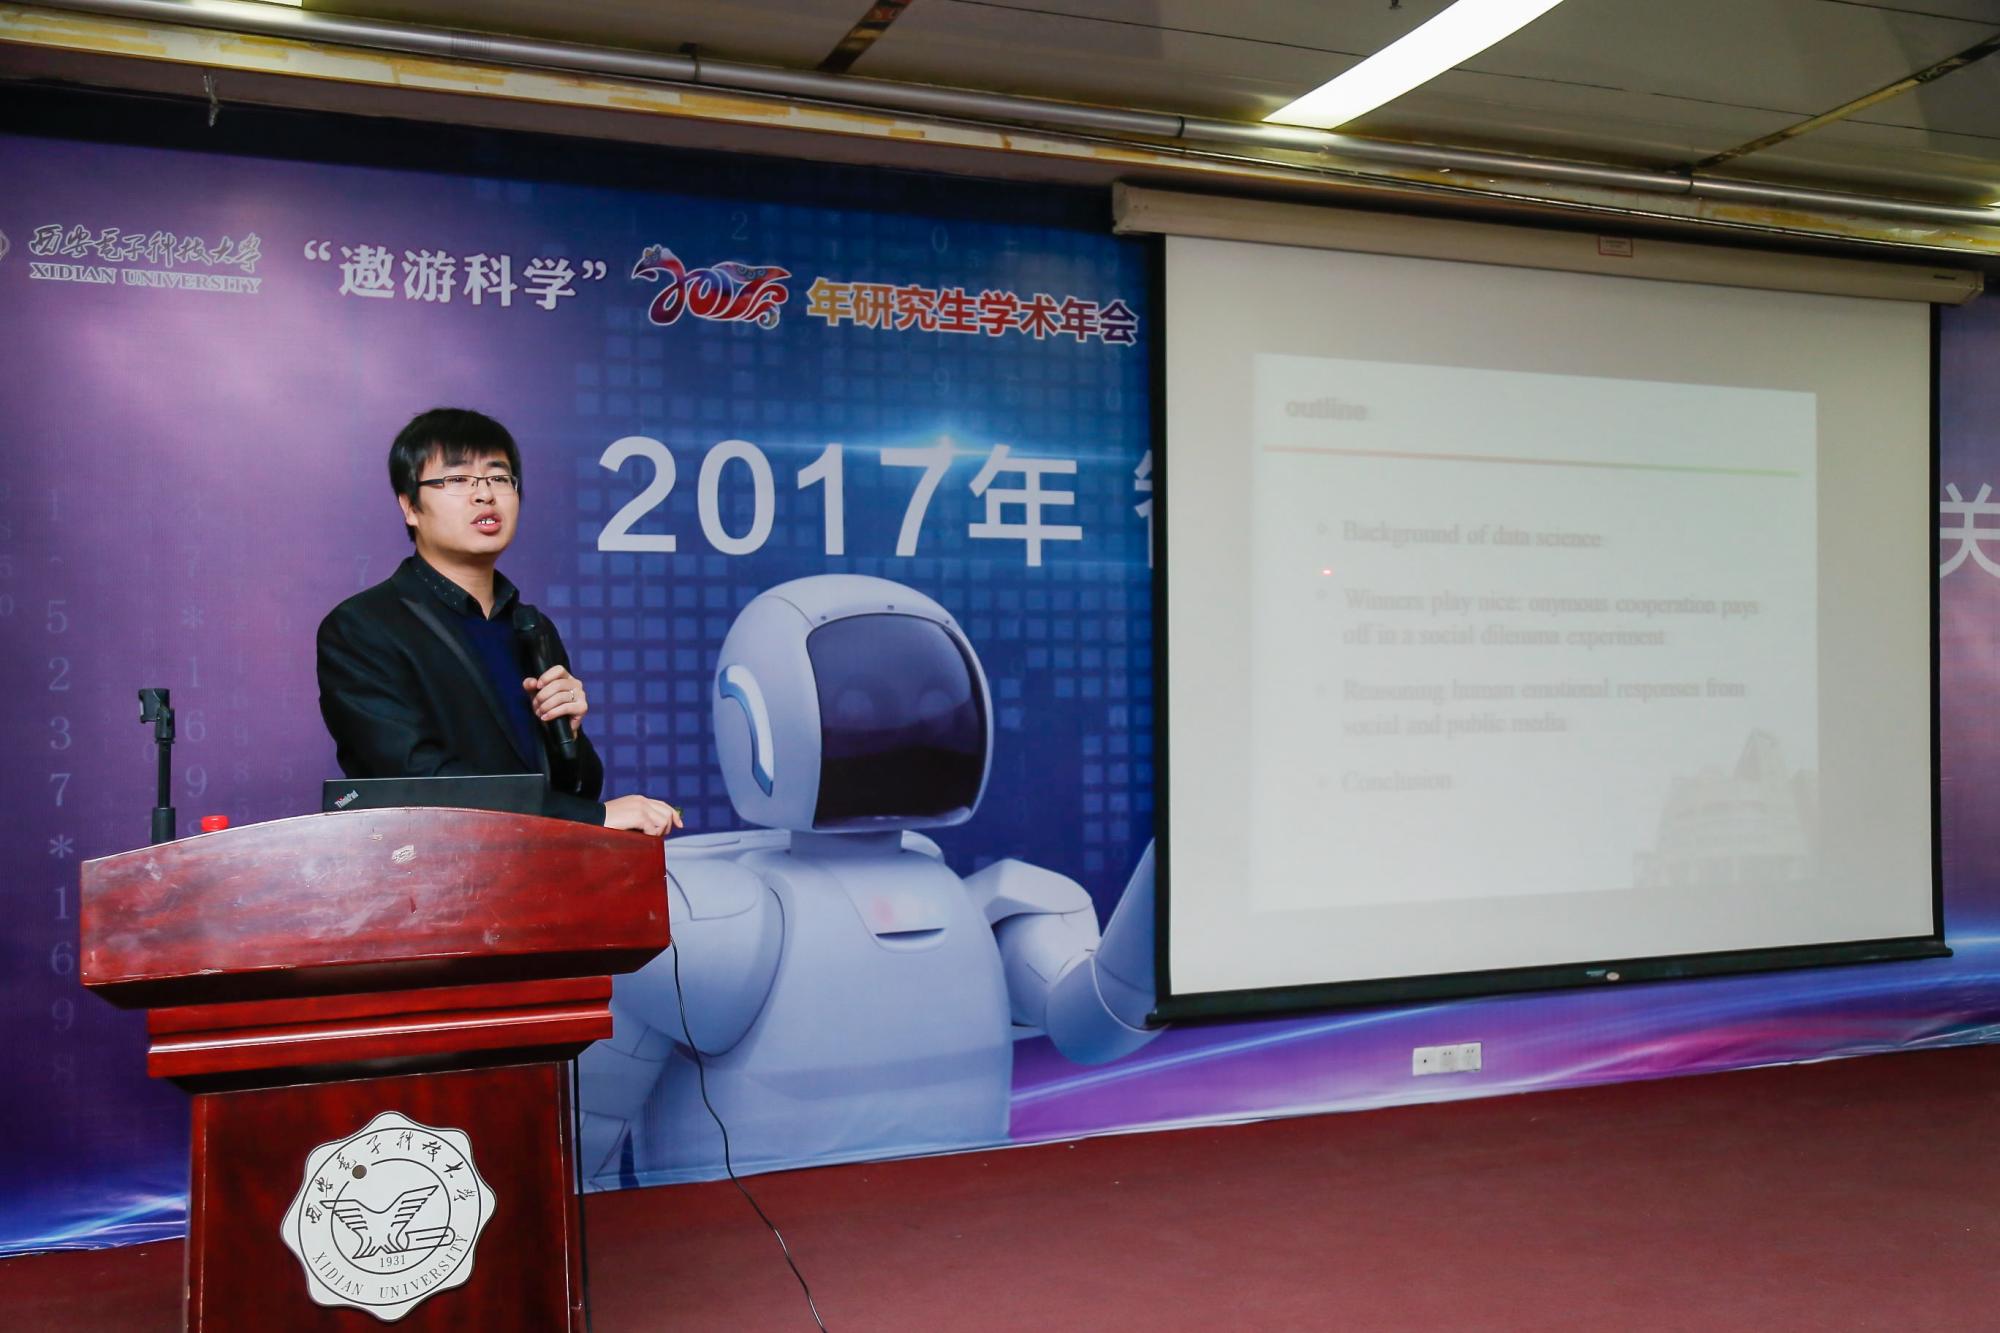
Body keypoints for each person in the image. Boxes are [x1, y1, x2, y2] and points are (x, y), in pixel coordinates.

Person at [317, 407, 682, 837]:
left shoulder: (531, 627)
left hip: (540, 868)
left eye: (499, 478)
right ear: (410, 506)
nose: (484, 495)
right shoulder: (362, 627)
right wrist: (596, 817)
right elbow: (417, 780)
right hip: (426, 869)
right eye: (458, 479)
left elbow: (576, 787)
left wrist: (568, 734)